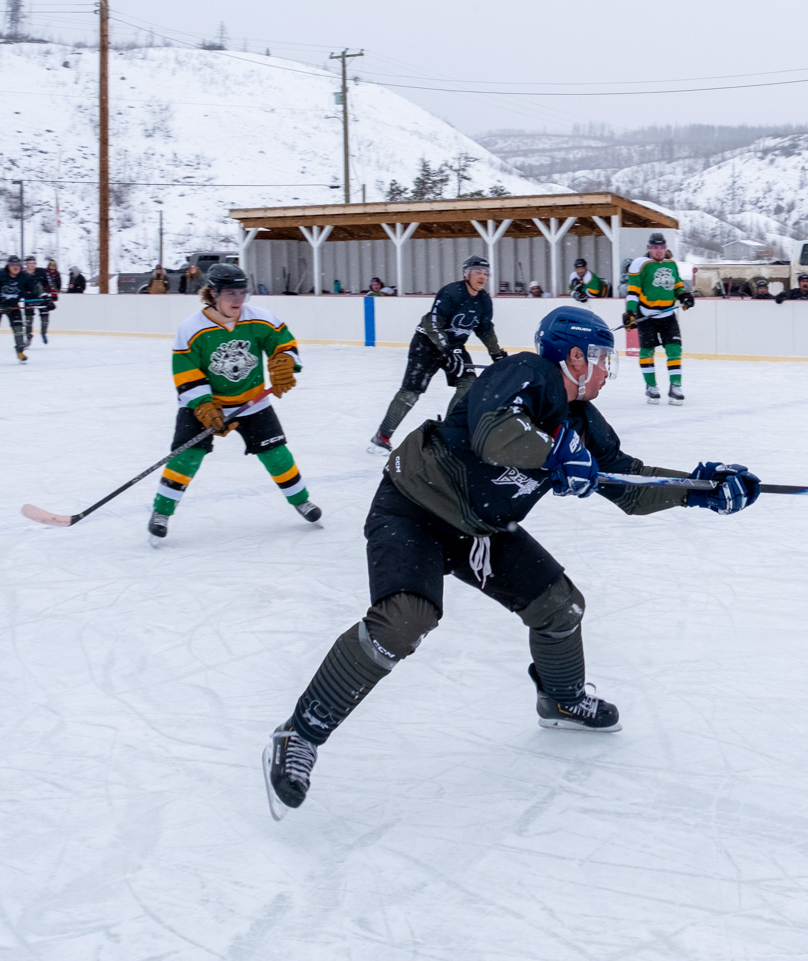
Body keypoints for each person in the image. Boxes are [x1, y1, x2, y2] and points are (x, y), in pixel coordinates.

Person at [262, 305, 761, 818]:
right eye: (601, 359)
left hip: (480, 528)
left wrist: (699, 489)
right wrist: (554, 453)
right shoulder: (525, 372)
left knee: (560, 607)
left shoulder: (582, 422)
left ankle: (561, 698)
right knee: (405, 619)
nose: (606, 372)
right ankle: (299, 734)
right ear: (574, 356)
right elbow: (494, 435)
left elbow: (629, 485)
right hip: (415, 506)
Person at [148, 262, 320, 544]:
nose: (238, 299)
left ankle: (301, 500)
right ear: (213, 293)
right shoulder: (191, 328)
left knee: (276, 454)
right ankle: (161, 513)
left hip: (251, 401)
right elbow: (186, 371)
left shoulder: (260, 318)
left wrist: (285, 361)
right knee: (186, 457)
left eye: (242, 292)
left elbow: (282, 342)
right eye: (231, 293)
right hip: (204, 405)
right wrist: (203, 404)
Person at [369, 255, 509, 452]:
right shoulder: (451, 292)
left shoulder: (484, 300)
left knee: (469, 385)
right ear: (466, 274)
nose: (482, 276)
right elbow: (434, 324)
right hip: (426, 343)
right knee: (411, 393)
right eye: (477, 272)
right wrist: (447, 350)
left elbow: (485, 329)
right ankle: (382, 436)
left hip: (454, 346)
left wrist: (496, 354)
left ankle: (446, 433)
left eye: (486, 273)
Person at [626, 231, 693, 404]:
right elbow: (633, 292)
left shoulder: (672, 264)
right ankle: (651, 387)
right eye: (655, 247)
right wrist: (630, 312)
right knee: (647, 351)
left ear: (666, 248)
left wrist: (684, 295)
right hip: (647, 315)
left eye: (662, 247)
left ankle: (675, 386)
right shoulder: (641, 265)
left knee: (674, 349)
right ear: (649, 248)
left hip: (668, 315)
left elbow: (677, 286)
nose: (659, 250)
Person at [0, 255, 33, 361]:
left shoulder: (23, 276)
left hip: (13, 306)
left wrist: (44, 297)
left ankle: (20, 351)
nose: (15, 267)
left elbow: (35, 287)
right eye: (13, 265)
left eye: (17, 264)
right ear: (8, 266)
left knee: (18, 329)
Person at [21, 256, 55, 347]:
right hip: (29, 299)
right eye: (30, 263)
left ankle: (43, 332)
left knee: (45, 317)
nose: (33, 265)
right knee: (28, 320)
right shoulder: (22, 275)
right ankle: (28, 336)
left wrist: (51, 295)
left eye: (34, 263)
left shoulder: (41, 272)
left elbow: (50, 282)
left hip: (41, 298)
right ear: (26, 264)